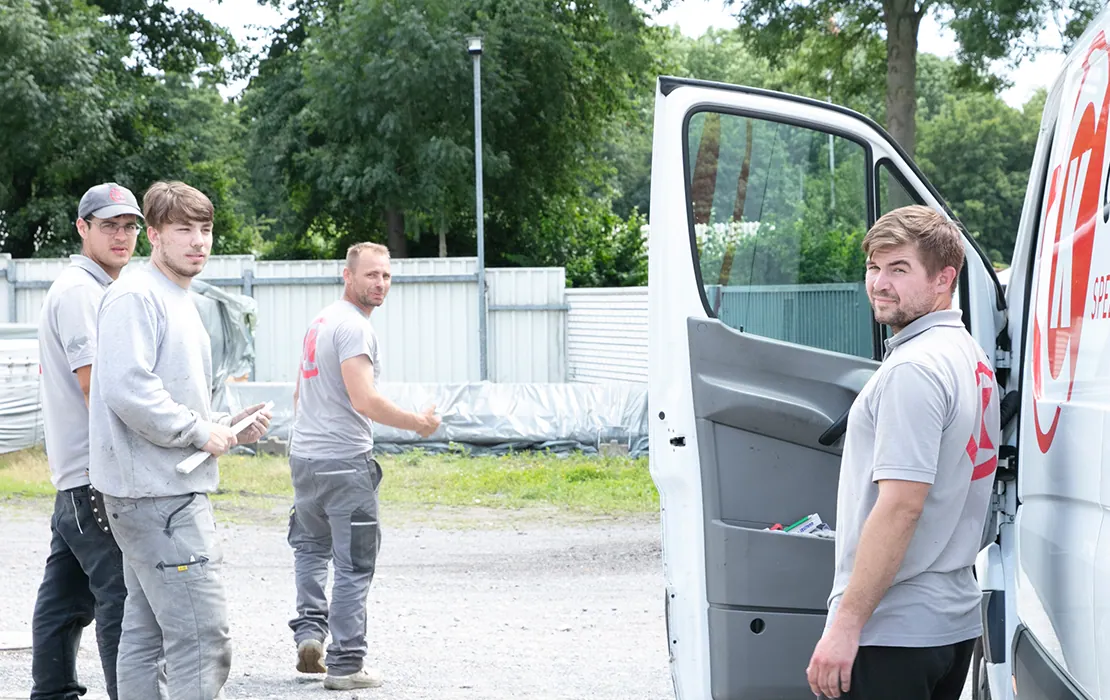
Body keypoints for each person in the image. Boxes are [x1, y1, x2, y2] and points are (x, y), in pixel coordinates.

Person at [806, 205, 1000, 700]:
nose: (879, 283)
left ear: (944, 278)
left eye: (899, 269)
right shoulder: (969, 356)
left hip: (893, 631)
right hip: (948, 625)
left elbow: (901, 506)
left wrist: (846, 626)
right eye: (873, 267)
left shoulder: (913, 369)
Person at [88, 180, 272, 700]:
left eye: (206, 229)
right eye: (183, 229)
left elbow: (165, 392)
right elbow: (129, 390)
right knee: (200, 638)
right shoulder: (135, 296)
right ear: (154, 235)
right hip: (158, 499)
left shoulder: (177, 297)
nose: (198, 241)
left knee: (147, 635)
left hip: (156, 493)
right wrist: (197, 431)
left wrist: (227, 423)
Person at [287, 241, 441, 691]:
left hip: (305, 460)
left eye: (386, 276)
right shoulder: (353, 328)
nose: (380, 283)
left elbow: (299, 394)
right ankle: (346, 663)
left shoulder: (320, 321)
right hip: (343, 461)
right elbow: (364, 399)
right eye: (371, 274)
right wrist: (418, 423)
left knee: (311, 549)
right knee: (354, 564)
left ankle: (310, 633)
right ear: (347, 276)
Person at [31, 183, 142, 700]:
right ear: (82, 228)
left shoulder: (94, 286)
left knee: (64, 600)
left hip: (76, 475)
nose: (121, 236)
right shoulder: (82, 291)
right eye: (108, 226)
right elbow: (94, 385)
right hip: (95, 477)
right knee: (121, 598)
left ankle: (52, 693)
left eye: (129, 226)